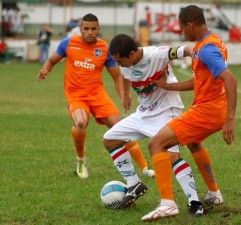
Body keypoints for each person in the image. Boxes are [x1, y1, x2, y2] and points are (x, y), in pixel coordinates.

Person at [103, 33, 223, 215]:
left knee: (171, 155)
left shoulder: (157, 54)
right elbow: (126, 76)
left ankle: (195, 203)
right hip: (143, 113)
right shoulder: (125, 64)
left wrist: (202, 64)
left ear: (134, 54)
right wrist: (126, 95)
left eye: (121, 61)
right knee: (110, 140)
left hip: (168, 110)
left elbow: (188, 50)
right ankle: (133, 184)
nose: (119, 65)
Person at [141, 5, 237, 221]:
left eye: (182, 28)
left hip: (208, 111)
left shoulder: (206, 49)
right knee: (194, 143)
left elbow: (230, 79)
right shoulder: (212, 43)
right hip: (213, 108)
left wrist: (230, 120)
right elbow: (200, 81)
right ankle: (214, 194)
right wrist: (168, 86)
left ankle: (167, 204)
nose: (181, 32)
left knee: (156, 144)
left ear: (190, 25)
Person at [37, 13, 154, 179]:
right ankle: (81, 160)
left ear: (98, 29)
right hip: (76, 96)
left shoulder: (105, 48)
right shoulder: (69, 43)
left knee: (122, 128)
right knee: (80, 123)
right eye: (86, 28)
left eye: (93, 29)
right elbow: (51, 60)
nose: (89, 32)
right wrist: (45, 69)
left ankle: (144, 168)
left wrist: (124, 96)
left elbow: (117, 76)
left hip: (98, 96)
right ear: (80, 28)